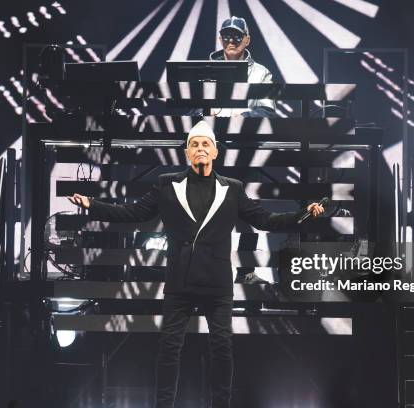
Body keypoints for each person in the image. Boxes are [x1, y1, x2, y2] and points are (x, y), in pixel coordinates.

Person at [67, 120, 325, 408]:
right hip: (180, 280)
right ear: (187, 154)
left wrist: (302, 215)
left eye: (205, 144)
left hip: (216, 282)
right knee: (168, 348)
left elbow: (266, 219)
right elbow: (134, 212)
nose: (200, 149)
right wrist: (93, 205)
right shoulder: (168, 184)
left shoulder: (233, 189)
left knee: (222, 348)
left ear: (215, 152)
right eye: (194, 145)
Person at [209, 16, 277, 117]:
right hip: (207, 131)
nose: (231, 40)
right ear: (220, 39)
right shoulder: (205, 70)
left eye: (237, 36)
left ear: (247, 40)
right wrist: (204, 113)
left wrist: (244, 117)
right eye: (226, 36)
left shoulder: (261, 73)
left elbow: (268, 111)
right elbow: (191, 107)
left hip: (246, 131)